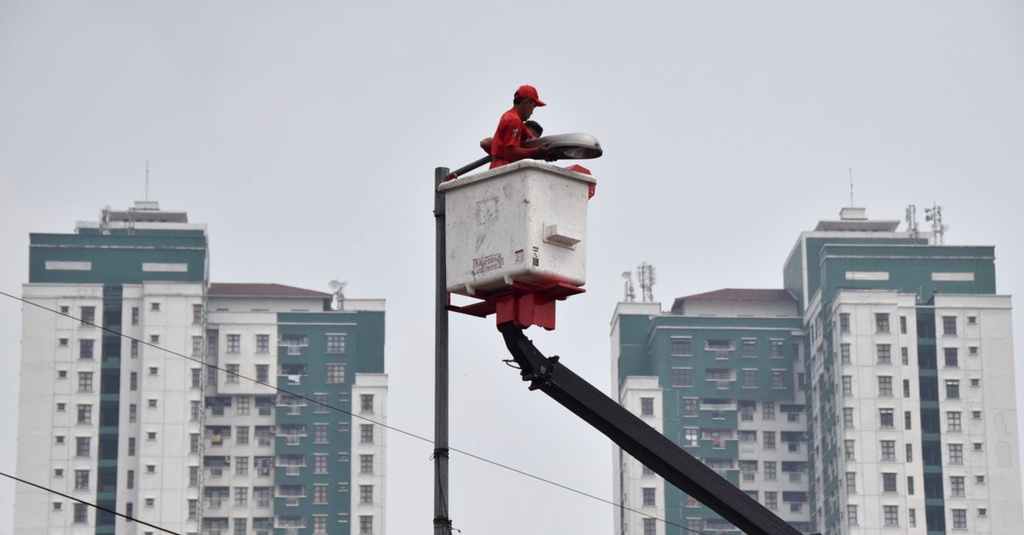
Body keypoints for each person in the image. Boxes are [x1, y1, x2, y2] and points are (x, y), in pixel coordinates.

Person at [488, 85, 550, 169]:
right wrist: (537, 151)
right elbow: (510, 152)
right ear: (526, 102)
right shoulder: (514, 120)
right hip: (504, 168)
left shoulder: (509, 115)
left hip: (497, 166)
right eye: (532, 108)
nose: (532, 113)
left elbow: (528, 136)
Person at [479, 120, 543, 154]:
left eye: (533, 140)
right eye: (528, 137)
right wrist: (510, 149)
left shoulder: (533, 153)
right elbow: (484, 143)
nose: (529, 141)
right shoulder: (510, 144)